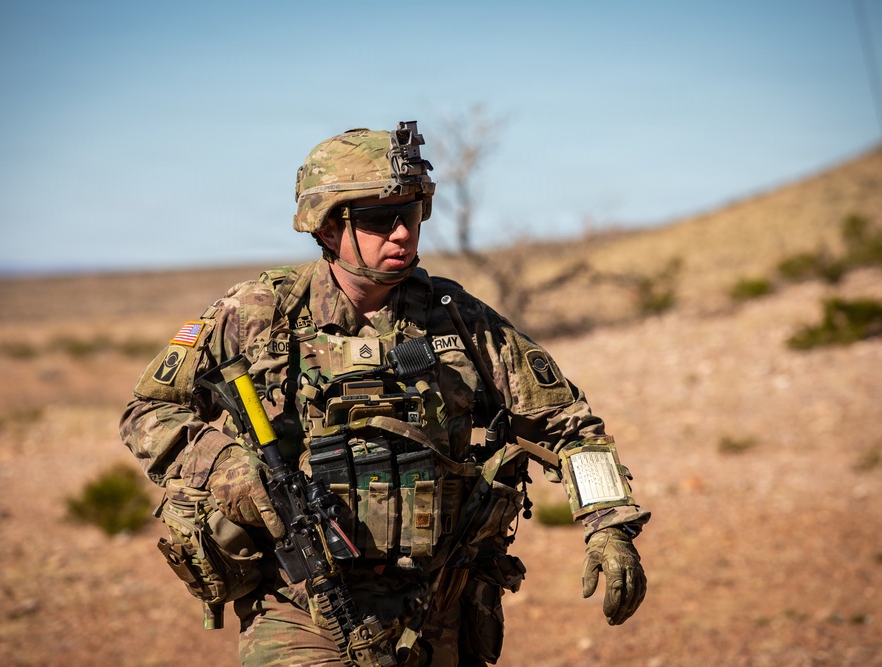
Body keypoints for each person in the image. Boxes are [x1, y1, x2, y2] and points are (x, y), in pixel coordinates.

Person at [120, 120, 650, 667]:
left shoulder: (459, 319)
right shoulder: (257, 314)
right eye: (377, 219)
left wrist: (610, 528)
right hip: (301, 608)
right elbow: (148, 412)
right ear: (326, 229)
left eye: (412, 215)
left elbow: (570, 426)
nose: (401, 233)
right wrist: (229, 467)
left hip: (440, 607)